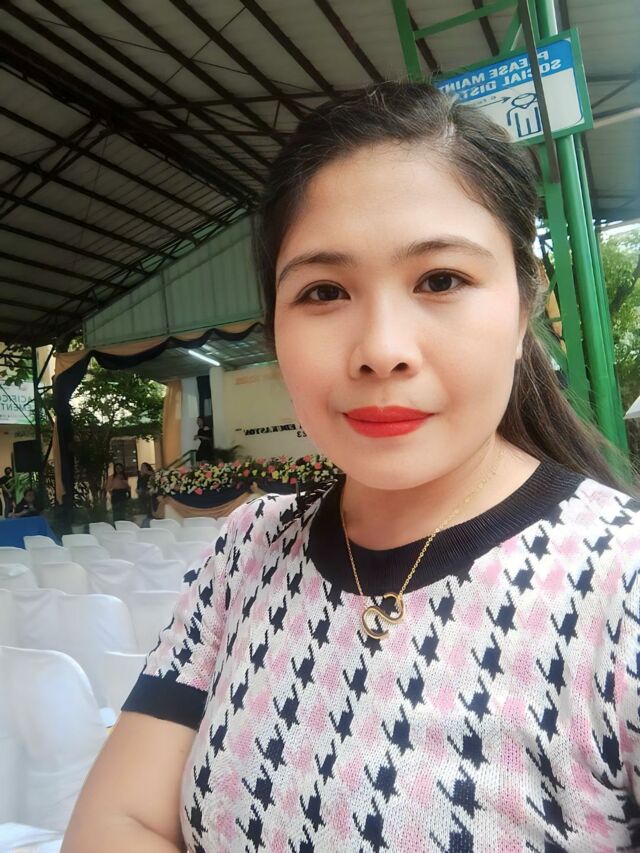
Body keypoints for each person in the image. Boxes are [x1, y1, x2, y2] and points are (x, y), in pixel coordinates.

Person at [63, 83, 640, 852]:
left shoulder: (621, 588)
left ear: (524, 306)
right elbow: (116, 821)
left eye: (441, 279)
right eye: (325, 291)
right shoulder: (247, 550)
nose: (381, 349)